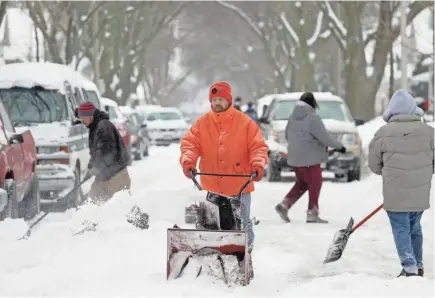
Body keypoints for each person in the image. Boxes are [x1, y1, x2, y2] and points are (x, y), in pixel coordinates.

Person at [179, 81, 268, 252]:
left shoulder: (246, 123)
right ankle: (212, 256)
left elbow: (258, 147)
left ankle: (245, 256)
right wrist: (188, 162)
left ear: (229, 100)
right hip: (211, 186)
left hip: (239, 185)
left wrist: (257, 165)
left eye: (221, 99)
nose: (217, 103)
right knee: (209, 225)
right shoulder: (201, 124)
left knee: (242, 223)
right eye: (214, 100)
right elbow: (189, 145)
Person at [368, 89, 434, 278]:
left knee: (401, 228)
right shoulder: (429, 132)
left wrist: (390, 173)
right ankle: (418, 265)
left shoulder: (383, 133)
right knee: (414, 227)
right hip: (420, 191)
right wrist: (422, 172)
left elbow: (374, 164)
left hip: (395, 193)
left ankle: (409, 267)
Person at [274, 92, 346, 223]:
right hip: (310, 159)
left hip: (295, 158)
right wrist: (339, 146)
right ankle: (312, 213)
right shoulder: (313, 118)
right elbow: (324, 137)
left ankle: (285, 205)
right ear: (313, 103)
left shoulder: (292, 117)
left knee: (302, 183)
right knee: (315, 183)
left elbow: (287, 135)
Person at [77, 102, 131, 203]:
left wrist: (97, 168)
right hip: (104, 175)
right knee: (91, 204)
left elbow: (107, 152)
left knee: (123, 206)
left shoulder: (104, 127)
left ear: (89, 115)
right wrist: (90, 167)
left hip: (116, 175)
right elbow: (96, 153)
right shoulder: (95, 128)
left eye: (82, 117)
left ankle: (140, 219)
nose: (82, 121)